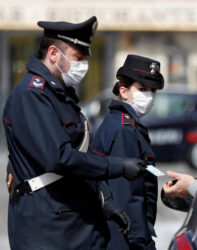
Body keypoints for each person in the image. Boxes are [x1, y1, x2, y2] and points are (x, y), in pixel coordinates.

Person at [2, 16, 146, 250]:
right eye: (78, 57)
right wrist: (118, 166)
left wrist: (105, 200)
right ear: (53, 54)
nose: (84, 65)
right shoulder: (31, 96)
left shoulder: (61, 94)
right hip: (48, 230)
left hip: (75, 224)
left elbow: (82, 153)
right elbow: (60, 158)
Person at [91, 54, 164, 250]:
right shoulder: (124, 129)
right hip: (125, 237)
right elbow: (128, 195)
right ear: (123, 91)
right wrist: (141, 241)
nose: (149, 96)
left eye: (152, 91)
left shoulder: (121, 123)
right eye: (142, 89)